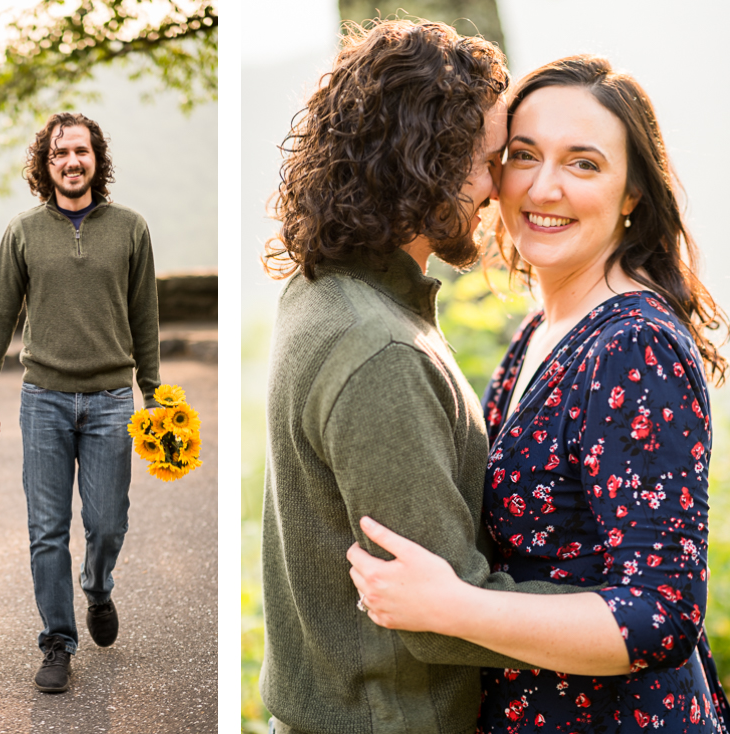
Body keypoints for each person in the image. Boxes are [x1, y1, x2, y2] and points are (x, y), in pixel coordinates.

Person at [348, 56, 730, 731]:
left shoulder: (631, 348)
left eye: (583, 164)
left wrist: (452, 607)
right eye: (523, 155)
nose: (544, 187)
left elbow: (661, 613)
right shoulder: (542, 329)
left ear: (633, 193)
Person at [259, 20, 597, 734]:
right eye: (491, 159)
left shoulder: (325, 291)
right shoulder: (379, 349)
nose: (499, 186)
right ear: (424, 164)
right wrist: (620, 611)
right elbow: (440, 616)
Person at [0, 112, 160, 694]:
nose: (71, 161)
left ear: (96, 159)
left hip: (110, 402)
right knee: (46, 529)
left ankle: (97, 588)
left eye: (80, 151)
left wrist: (157, 397)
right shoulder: (23, 232)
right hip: (43, 400)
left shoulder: (131, 229)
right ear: (45, 164)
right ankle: (57, 641)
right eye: (59, 154)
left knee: (106, 523)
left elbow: (144, 320)